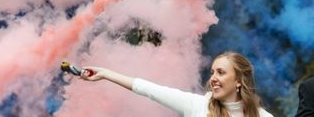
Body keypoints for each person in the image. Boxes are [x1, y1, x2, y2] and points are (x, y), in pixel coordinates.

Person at [81, 51, 274, 117]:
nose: (213, 78)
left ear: (239, 81)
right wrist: (106, 73)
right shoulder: (198, 106)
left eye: (221, 73)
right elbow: (149, 89)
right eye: (212, 72)